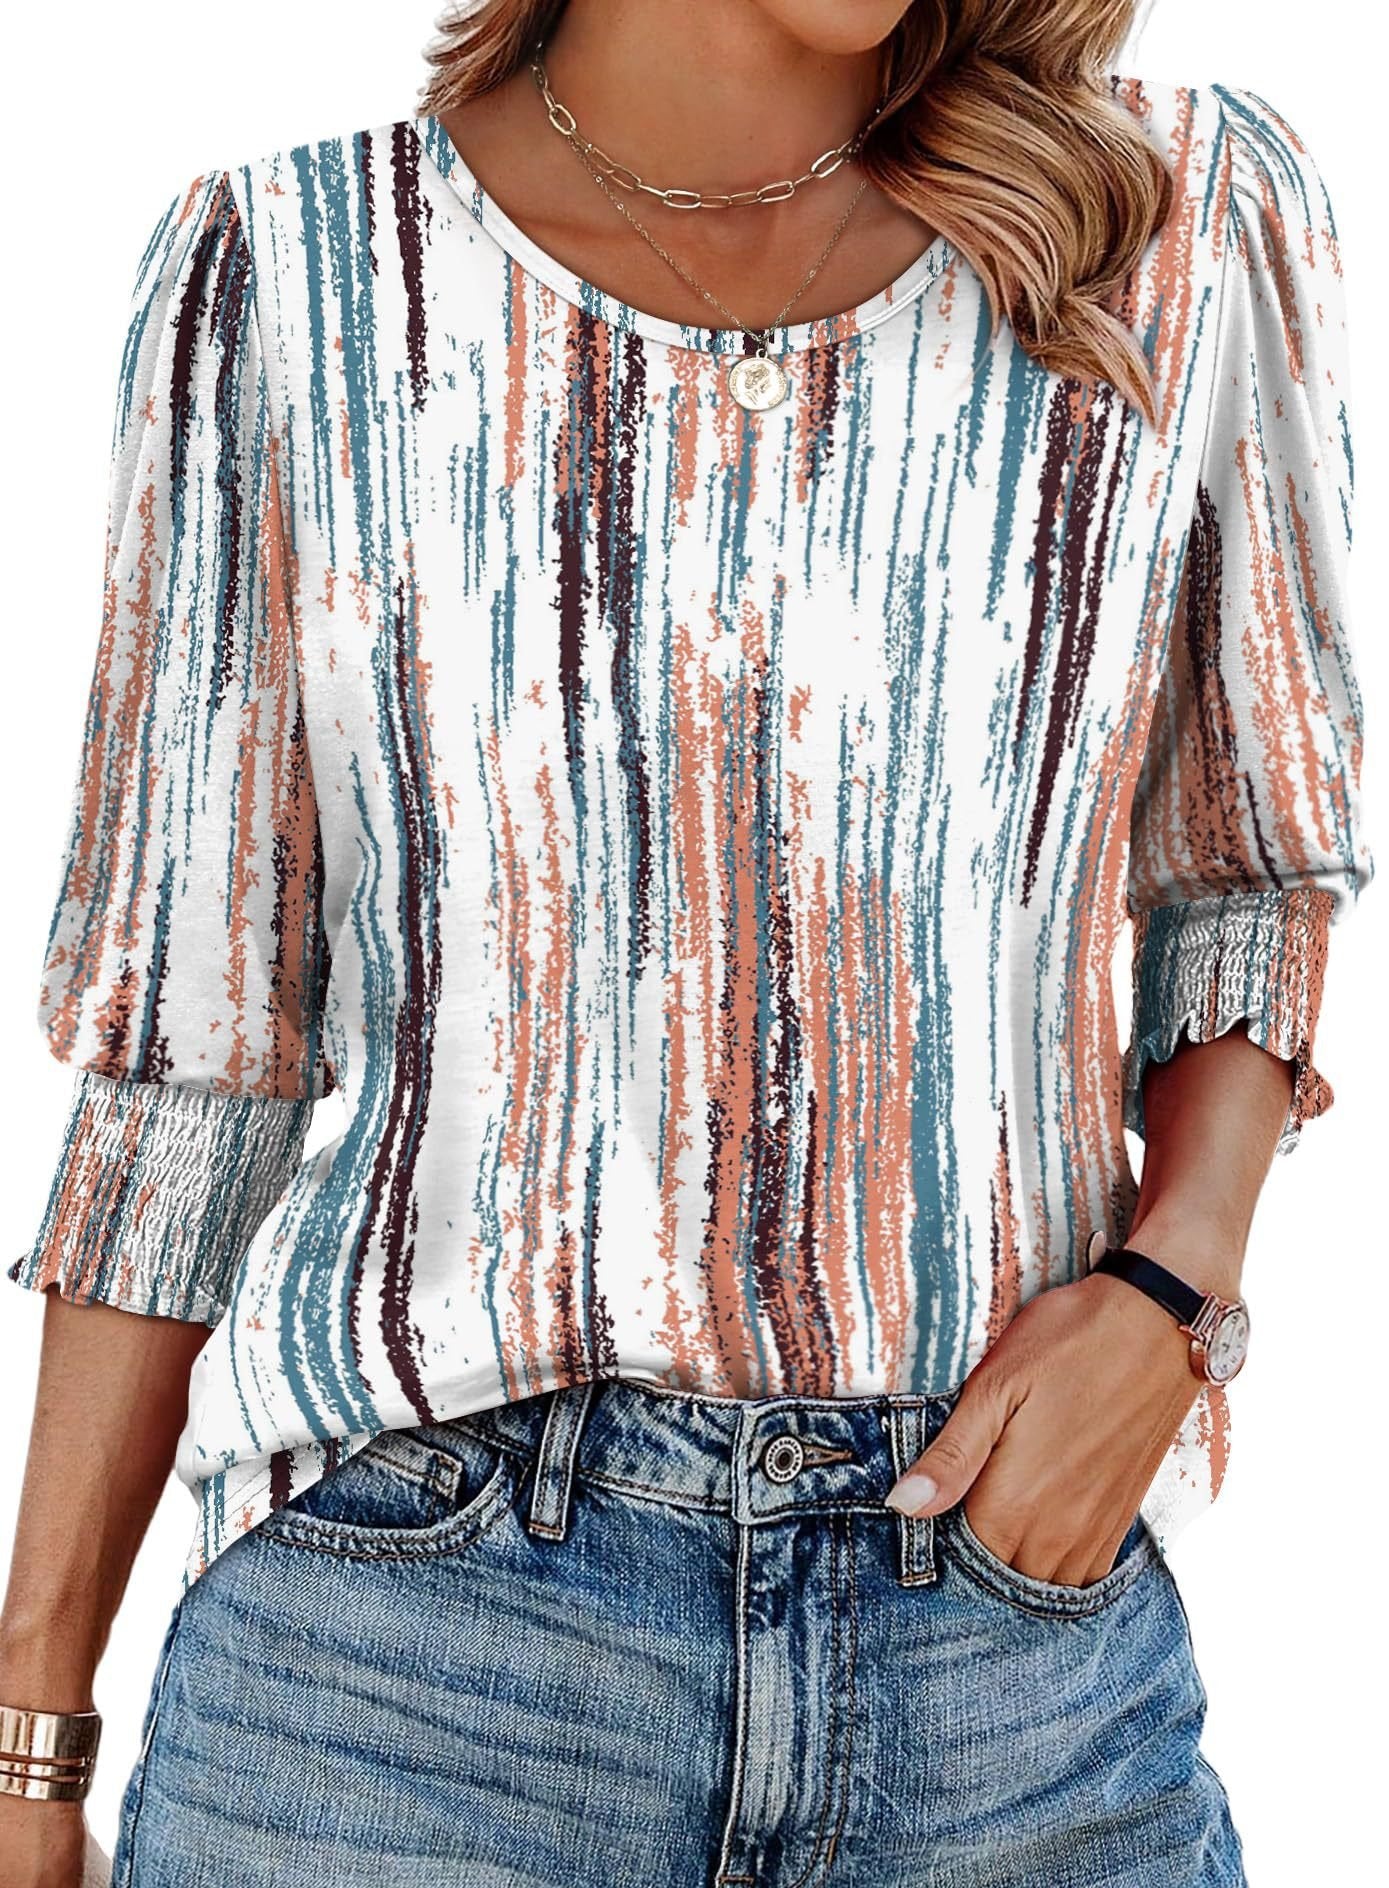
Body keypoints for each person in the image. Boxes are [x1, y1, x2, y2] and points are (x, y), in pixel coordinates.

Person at [0, 1, 1373, 1883]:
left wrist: (1170, 1293)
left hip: (1007, 1651)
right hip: (404, 1672)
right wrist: (30, 1738)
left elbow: (1251, 863)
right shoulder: (291, 273)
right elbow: (191, 1049)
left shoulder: (1172, 212)